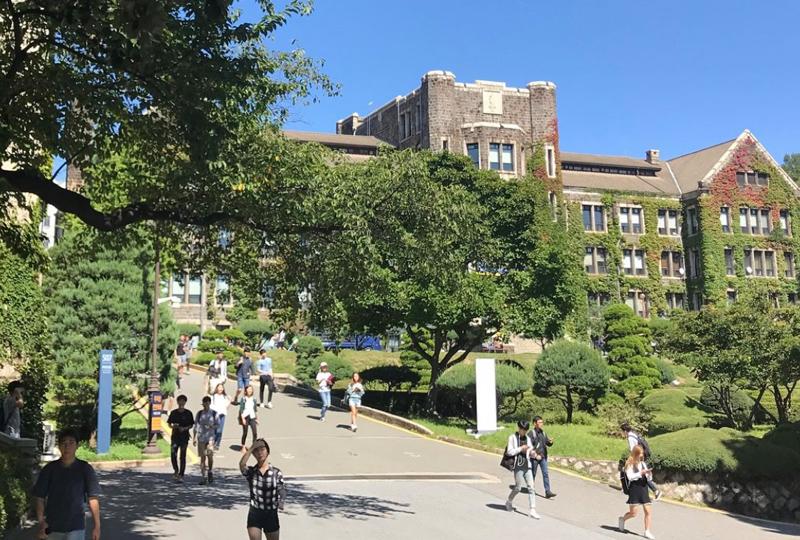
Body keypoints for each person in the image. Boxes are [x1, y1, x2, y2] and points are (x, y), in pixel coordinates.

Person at [34, 428, 101, 540]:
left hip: (76, 526)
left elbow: (93, 497)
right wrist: (41, 522)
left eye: (71, 442)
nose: (67, 446)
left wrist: (97, 526)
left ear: (77, 445)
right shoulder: (49, 469)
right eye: (63, 443)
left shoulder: (85, 469)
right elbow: (39, 497)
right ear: (59, 446)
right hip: (52, 526)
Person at [240, 438, 285, 540]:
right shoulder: (251, 472)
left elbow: (281, 489)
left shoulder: (276, 472)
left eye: (263, 449)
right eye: (257, 450)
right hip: (255, 513)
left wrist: (281, 501)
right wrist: (251, 448)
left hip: (271, 514)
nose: (260, 453)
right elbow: (242, 465)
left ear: (268, 451)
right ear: (253, 454)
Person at [504, 420, 540, 519]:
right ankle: (509, 501)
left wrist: (534, 454)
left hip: (527, 465)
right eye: (522, 429)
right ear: (518, 428)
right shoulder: (512, 438)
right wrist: (521, 448)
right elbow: (510, 452)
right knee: (518, 488)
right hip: (518, 466)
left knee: (531, 487)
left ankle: (533, 510)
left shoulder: (528, 438)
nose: (523, 432)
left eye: (525, 430)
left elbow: (530, 451)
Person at [618, 445, 656, 539]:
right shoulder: (629, 464)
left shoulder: (643, 463)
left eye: (642, 454)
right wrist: (640, 473)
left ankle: (647, 531)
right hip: (634, 489)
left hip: (643, 488)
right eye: (640, 454)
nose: (641, 456)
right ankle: (622, 519)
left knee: (648, 511)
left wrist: (649, 474)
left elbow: (648, 479)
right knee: (633, 513)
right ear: (635, 454)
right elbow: (630, 477)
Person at [622, 422, 662, 499]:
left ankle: (656, 491)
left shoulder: (630, 437)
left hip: (638, 457)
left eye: (622, 431)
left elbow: (633, 450)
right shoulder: (634, 434)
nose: (622, 433)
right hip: (641, 456)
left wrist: (631, 460)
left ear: (625, 431)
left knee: (640, 474)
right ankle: (631, 488)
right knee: (639, 474)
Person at [167, 394, 194, 482]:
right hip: (175, 435)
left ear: (185, 402)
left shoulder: (188, 413)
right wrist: (173, 426)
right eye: (180, 401)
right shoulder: (174, 413)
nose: (181, 402)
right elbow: (169, 423)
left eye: (183, 401)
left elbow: (191, 425)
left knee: (183, 455)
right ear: (177, 402)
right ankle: (176, 470)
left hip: (184, 436)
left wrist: (185, 428)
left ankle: (181, 474)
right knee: (173, 453)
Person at [194, 396, 219, 485]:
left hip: (210, 438)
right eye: (204, 403)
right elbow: (196, 425)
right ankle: (203, 477)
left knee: (210, 456)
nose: (206, 404)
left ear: (209, 403)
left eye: (207, 402)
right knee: (202, 458)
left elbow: (218, 425)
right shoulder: (199, 413)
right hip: (201, 437)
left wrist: (212, 426)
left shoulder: (214, 413)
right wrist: (194, 437)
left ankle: (210, 471)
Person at [531, 416, 557, 498]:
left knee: (545, 474)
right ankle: (531, 488)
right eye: (539, 422)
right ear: (535, 423)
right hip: (534, 458)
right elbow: (528, 446)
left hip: (543, 457)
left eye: (542, 422)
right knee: (533, 474)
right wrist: (535, 455)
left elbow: (546, 443)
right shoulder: (531, 433)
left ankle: (547, 491)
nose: (541, 424)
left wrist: (550, 442)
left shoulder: (543, 433)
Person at [210, 383, 230, 451]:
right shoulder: (213, 396)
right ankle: (212, 443)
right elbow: (211, 406)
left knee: (220, 430)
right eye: (219, 387)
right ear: (217, 388)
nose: (220, 389)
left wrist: (229, 400)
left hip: (222, 415)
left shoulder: (224, 397)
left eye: (222, 387)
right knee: (214, 430)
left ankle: (217, 444)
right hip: (215, 415)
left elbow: (226, 407)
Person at [239, 385, 258, 451]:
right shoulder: (243, 399)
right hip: (245, 416)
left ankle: (254, 446)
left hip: (252, 416)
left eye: (251, 389)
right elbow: (241, 409)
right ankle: (243, 446)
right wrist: (242, 419)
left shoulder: (254, 399)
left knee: (255, 432)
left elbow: (255, 409)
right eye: (248, 389)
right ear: (246, 391)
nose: (250, 390)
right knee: (245, 432)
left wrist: (257, 419)